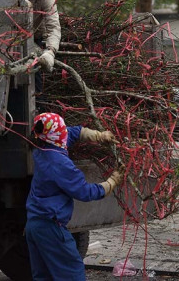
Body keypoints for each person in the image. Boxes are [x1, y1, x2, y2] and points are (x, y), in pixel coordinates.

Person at [25, 112, 123, 280]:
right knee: (72, 273)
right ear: (57, 134)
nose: (65, 132)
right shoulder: (59, 163)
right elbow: (85, 192)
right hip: (51, 228)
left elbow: (74, 132)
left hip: (34, 225)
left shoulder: (42, 147)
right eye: (62, 130)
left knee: (44, 276)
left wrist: (99, 136)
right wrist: (112, 181)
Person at [0, 0, 61, 91]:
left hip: (33, 39)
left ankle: (36, 108)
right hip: (6, 38)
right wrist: (17, 1)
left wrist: (50, 51)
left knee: (34, 83)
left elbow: (53, 25)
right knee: (4, 79)